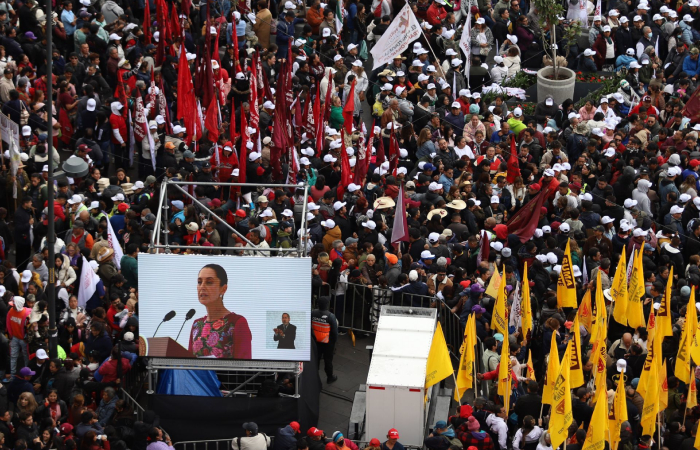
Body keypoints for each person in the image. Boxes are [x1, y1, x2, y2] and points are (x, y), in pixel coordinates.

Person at [188, 264, 252, 359]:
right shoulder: (197, 324)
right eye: (199, 282)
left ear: (223, 289)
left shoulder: (236, 323)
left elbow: (244, 368)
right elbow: (187, 364)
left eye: (209, 282)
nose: (202, 287)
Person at [311, 297, 338, 383]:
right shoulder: (330, 316)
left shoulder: (313, 313)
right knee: (328, 360)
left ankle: (314, 376)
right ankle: (330, 377)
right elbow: (334, 332)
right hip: (327, 342)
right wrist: (334, 342)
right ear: (327, 305)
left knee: (316, 359)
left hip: (315, 341)